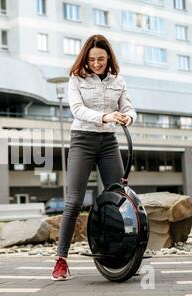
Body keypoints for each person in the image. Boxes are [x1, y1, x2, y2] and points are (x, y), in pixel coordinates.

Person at [51, 34, 137, 281]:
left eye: (101, 59)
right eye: (92, 59)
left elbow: (129, 107)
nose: (97, 64)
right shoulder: (76, 78)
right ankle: (61, 260)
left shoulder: (118, 81)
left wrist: (127, 118)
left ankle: (121, 254)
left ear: (108, 57)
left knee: (120, 198)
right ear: (85, 58)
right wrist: (106, 117)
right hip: (82, 139)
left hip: (109, 142)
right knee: (74, 202)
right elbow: (77, 109)